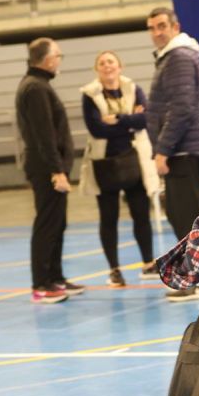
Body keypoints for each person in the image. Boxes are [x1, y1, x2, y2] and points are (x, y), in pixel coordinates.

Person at [145, 6, 199, 301]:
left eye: (162, 26)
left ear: (175, 26)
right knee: (181, 213)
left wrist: (163, 150)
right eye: (152, 28)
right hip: (185, 148)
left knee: (185, 217)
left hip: (184, 149)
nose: (157, 32)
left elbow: (182, 108)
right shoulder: (172, 57)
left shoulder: (178, 57)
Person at [79, 51, 161, 287]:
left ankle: (148, 264)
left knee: (141, 214)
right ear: (97, 69)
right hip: (105, 162)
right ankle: (114, 270)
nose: (107, 66)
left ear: (120, 66)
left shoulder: (133, 88)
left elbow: (144, 119)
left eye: (111, 62)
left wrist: (117, 119)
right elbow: (96, 129)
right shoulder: (89, 94)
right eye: (102, 63)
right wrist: (129, 121)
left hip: (134, 160)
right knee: (109, 217)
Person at [15, 37, 87, 304]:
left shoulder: (40, 85)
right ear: (47, 60)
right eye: (57, 55)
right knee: (47, 224)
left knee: (58, 222)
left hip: (53, 168)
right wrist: (57, 170)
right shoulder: (35, 88)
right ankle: (41, 283)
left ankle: (55, 277)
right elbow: (43, 134)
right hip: (46, 169)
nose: (59, 60)